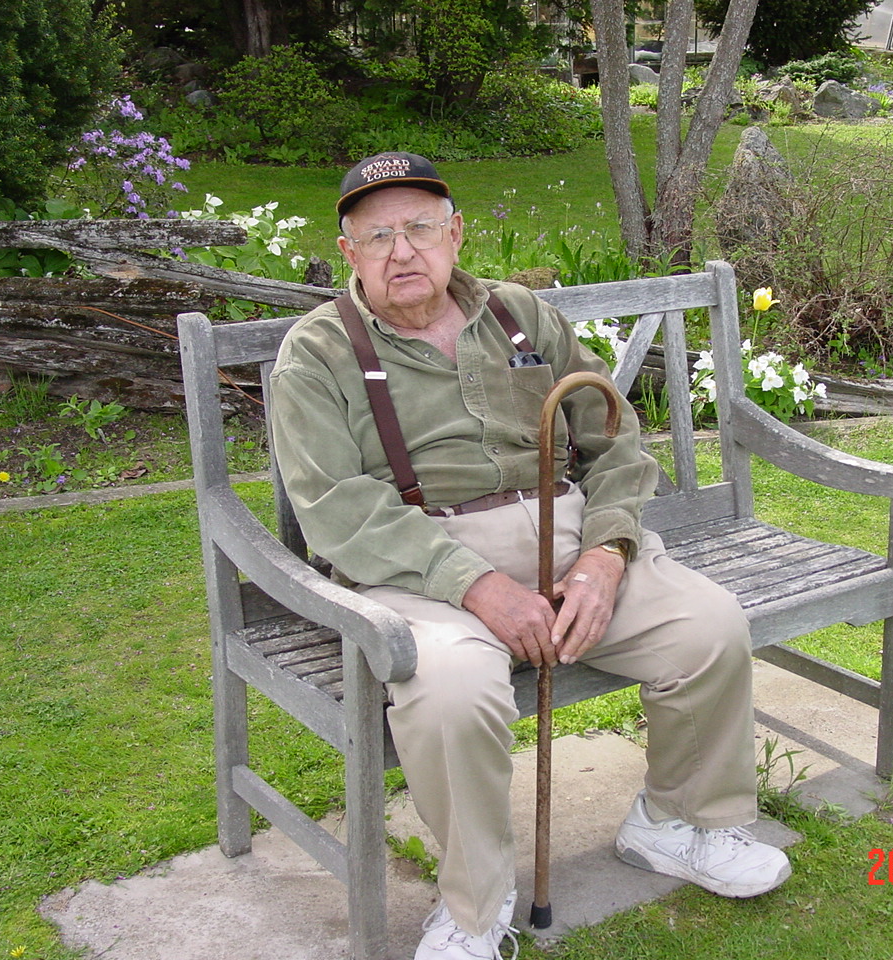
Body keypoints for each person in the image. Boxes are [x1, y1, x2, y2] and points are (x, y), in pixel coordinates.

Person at [269, 151, 791, 960]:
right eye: (377, 237)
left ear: (455, 233)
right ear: (349, 253)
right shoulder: (317, 353)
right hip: (422, 566)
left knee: (709, 627)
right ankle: (477, 909)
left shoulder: (521, 315)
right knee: (451, 694)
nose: (401, 251)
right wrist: (475, 585)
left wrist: (607, 555)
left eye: (419, 228)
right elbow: (336, 507)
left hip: (568, 538)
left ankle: (677, 823)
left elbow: (611, 439)